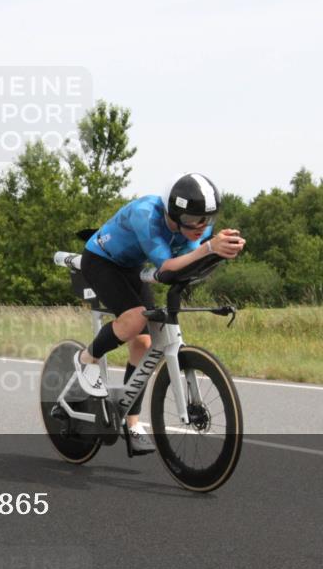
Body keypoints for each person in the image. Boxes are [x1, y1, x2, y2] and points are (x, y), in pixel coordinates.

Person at [73, 173, 246, 454]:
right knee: (135, 317)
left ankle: (132, 423)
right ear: (174, 214)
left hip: (130, 266)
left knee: (144, 342)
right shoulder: (147, 215)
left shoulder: (190, 229)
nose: (200, 226)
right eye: (193, 219)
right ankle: (85, 358)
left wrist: (220, 251)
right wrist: (209, 247)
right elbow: (167, 266)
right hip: (101, 260)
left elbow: (187, 264)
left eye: (207, 219)